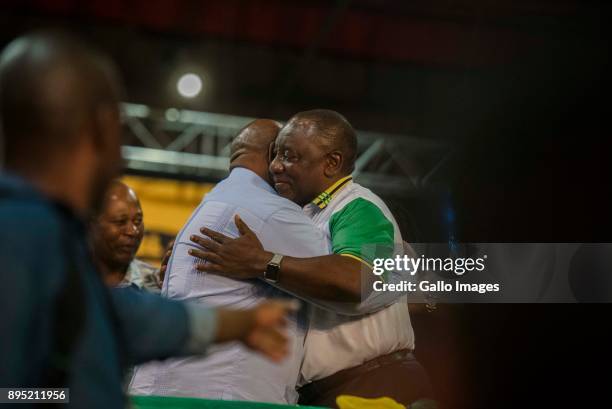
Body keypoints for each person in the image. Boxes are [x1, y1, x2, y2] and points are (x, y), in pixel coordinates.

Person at [0, 31, 291, 409]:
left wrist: (234, 325)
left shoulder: (45, 233)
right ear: (103, 128)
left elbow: (110, 315)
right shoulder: (22, 236)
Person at [189, 109, 432, 407]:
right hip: (326, 392)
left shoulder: (358, 205)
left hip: (375, 385)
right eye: (275, 155)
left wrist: (261, 262)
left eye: (290, 156)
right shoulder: (306, 217)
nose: (276, 166)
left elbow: (358, 280)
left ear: (332, 163)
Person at [130, 119, 334, 404]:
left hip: (166, 388)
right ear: (275, 154)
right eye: (289, 155)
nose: (288, 166)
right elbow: (357, 279)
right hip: (220, 394)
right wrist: (409, 270)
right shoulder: (273, 211)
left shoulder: (216, 201)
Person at [90, 180, 161, 292]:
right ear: (91, 224)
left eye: (137, 221)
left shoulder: (159, 286)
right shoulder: (62, 276)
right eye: (120, 222)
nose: (133, 231)